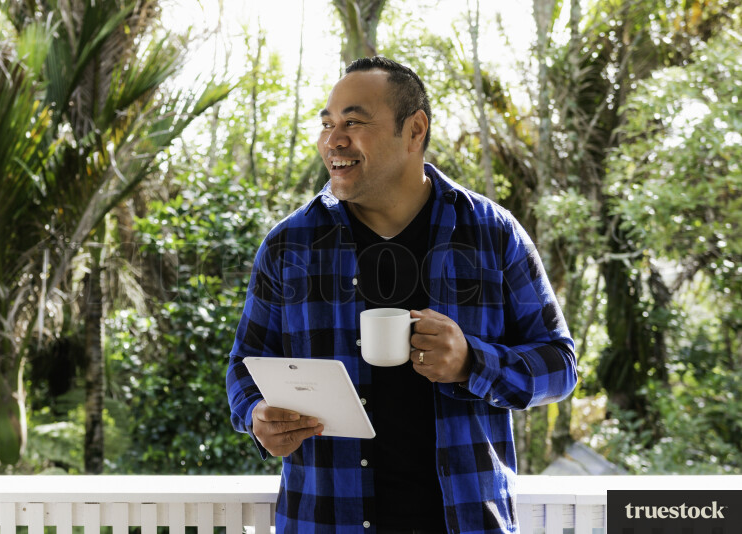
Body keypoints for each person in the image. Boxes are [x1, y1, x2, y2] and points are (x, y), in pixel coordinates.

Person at [226, 56, 577, 534]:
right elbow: (245, 366)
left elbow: (560, 366)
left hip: (467, 522)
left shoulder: (493, 235)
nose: (333, 140)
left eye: (353, 122)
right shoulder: (290, 244)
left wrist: (473, 362)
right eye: (327, 124)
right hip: (326, 521)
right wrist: (257, 416)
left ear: (415, 131)